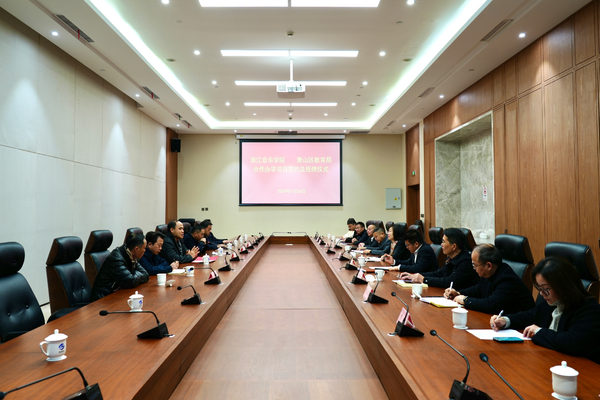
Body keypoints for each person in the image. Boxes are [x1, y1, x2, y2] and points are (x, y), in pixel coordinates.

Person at [491, 256, 600, 364]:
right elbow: (531, 315)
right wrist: (505, 320)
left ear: (563, 285)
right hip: (551, 360)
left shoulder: (589, 309)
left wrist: (539, 331)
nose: (541, 293)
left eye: (546, 288)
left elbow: (572, 341)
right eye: (539, 288)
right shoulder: (553, 302)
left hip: (580, 367)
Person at [444, 244, 535, 314]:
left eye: (475, 265)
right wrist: (458, 293)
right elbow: (477, 289)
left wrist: (465, 300)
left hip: (520, 328)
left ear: (488, 266)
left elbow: (491, 304)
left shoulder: (507, 279)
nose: (473, 268)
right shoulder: (488, 273)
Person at [399, 228, 478, 290]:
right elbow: (440, 273)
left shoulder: (465, 261)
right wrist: (417, 276)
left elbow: (449, 281)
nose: (441, 244)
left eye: (443, 242)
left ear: (454, 246)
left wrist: (424, 279)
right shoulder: (450, 258)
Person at [91, 234, 149, 301]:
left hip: (117, 294)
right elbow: (130, 281)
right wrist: (136, 275)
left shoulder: (131, 255)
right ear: (136, 249)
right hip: (103, 299)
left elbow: (146, 275)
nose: (145, 251)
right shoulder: (117, 258)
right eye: (144, 248)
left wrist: (134, 275)